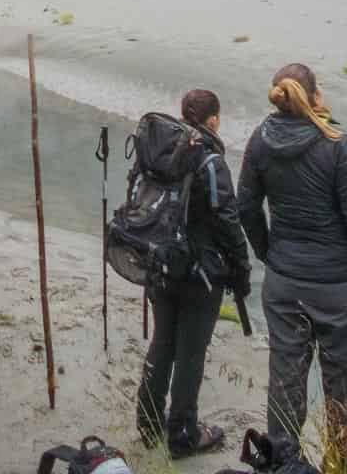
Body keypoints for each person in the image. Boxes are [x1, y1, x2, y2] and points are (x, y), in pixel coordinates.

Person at [239, 64, 347, 463]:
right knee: (344, 390)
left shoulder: (260, 141)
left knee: (285, 382)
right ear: (315, 95)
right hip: (340, 288)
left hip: (285, 283)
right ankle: (339, 464)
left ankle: (281, 464)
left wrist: (269, 252)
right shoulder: (337, 142)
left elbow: (246, 207)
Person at [136, 89, 252, 455]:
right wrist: (242, 268)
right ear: (213, 120)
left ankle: (149, 423)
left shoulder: (162, 150)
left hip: (160, 262)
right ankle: (182, 434)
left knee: (162, 341)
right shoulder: (209, 161)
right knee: (190, 355)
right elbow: (228, 222)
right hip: (200, 275)